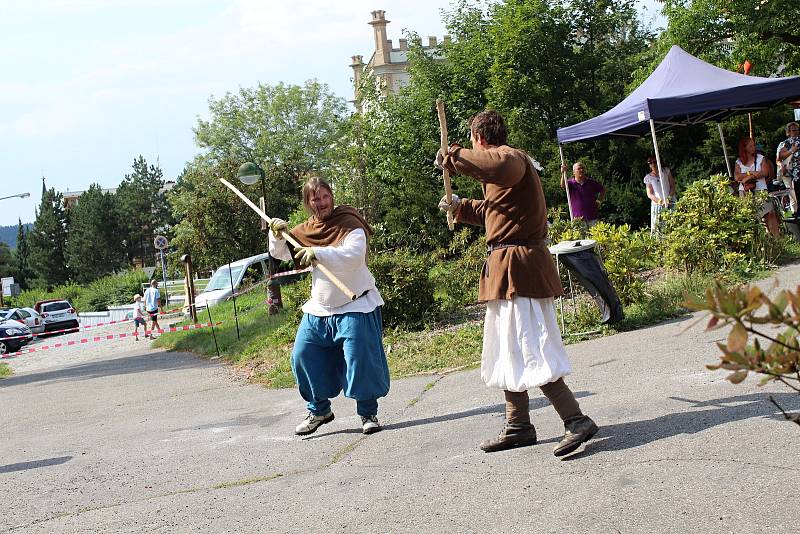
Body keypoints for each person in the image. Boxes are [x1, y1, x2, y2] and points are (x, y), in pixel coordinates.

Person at [437, 110, 598, 456]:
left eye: (472, 142)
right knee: (507, 346)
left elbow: (495, 165)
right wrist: (460, 206)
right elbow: (494, 213)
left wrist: (453, 157)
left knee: (531, 346)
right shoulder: (503, 172)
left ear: (479, 139)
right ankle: (518, 425)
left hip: (520, 268)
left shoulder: (511, 159)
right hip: (506, 268)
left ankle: (575, 419)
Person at [268, 176, 390, 436]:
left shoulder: (349, 222)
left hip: (356, 304)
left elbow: (354, 256)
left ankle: (368, 412)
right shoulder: (307, 230)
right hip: (320, 308)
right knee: (302, 355)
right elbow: (281, 254)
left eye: (325, 196)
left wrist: (319, 252)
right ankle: (319, 410)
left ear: (331, 197)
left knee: (360, 359)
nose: (321, 203)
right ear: (308, 203)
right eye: (315, 199)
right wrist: (276, 235)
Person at [735, 137, 780, 236]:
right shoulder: (739, 162)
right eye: (750, 146)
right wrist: (751, 173)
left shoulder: (760, 158)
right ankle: (756, 242)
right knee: (750, 217)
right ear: (744, 148)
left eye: (753, 145)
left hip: (760, 190)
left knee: (769, 214)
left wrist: (747, 176)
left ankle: (777, 240)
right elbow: (737, 176)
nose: (753, 147)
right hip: (745, 192)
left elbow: (765, 172)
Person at [559, 161, 605, 226]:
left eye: (583, 168)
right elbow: (563, 185)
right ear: (574, 172)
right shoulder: (570, 183)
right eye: (579, 168)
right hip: (578, 220)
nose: (581, 170)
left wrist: (599, 201)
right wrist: (563, 173)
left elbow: (602, 190)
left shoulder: (591, 182)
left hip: (593, 218)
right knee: (580, 236)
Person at [643, 155, 676, 235]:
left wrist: (668, 198)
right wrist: (660, 201)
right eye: (650, 163)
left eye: (654, 162)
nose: (653, 164)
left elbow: (673, 185)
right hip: (657, 205)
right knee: (658, 228)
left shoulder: (665, 171)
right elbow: (649, 194)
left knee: (672, 225)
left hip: (670, 202)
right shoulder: (648, 178)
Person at [778, 122, 800, 217]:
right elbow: (780, 156)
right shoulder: (786, 143)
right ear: (788, 132)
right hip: (793, 172)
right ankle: (796, 213)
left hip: (796, 171)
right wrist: (792, 150)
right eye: (793, 130)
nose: (796, 132)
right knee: (794, 195)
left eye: (797, 130)